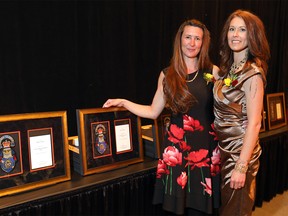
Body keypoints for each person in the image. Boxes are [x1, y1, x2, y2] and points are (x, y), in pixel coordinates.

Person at [103, 19, 221, 215]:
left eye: (197, 38)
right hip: (176, 153)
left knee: (201, 210)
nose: (192, 43)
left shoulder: (213, 72)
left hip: (205, 152)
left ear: (203, 43)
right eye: (188, 37)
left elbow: (224, 108)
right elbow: (152, 111)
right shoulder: (167, 75)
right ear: (180, 40)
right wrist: (124, 102)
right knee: (178, 209)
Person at [213, 10, 270, 216]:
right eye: (232, 29)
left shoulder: (253, 74)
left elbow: (255, 123)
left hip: (239, 154)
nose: (235, 34)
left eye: (242, 30)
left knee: (236, 211)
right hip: (227, 150)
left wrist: (241, 166)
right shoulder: (230, 69)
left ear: (252, 35)